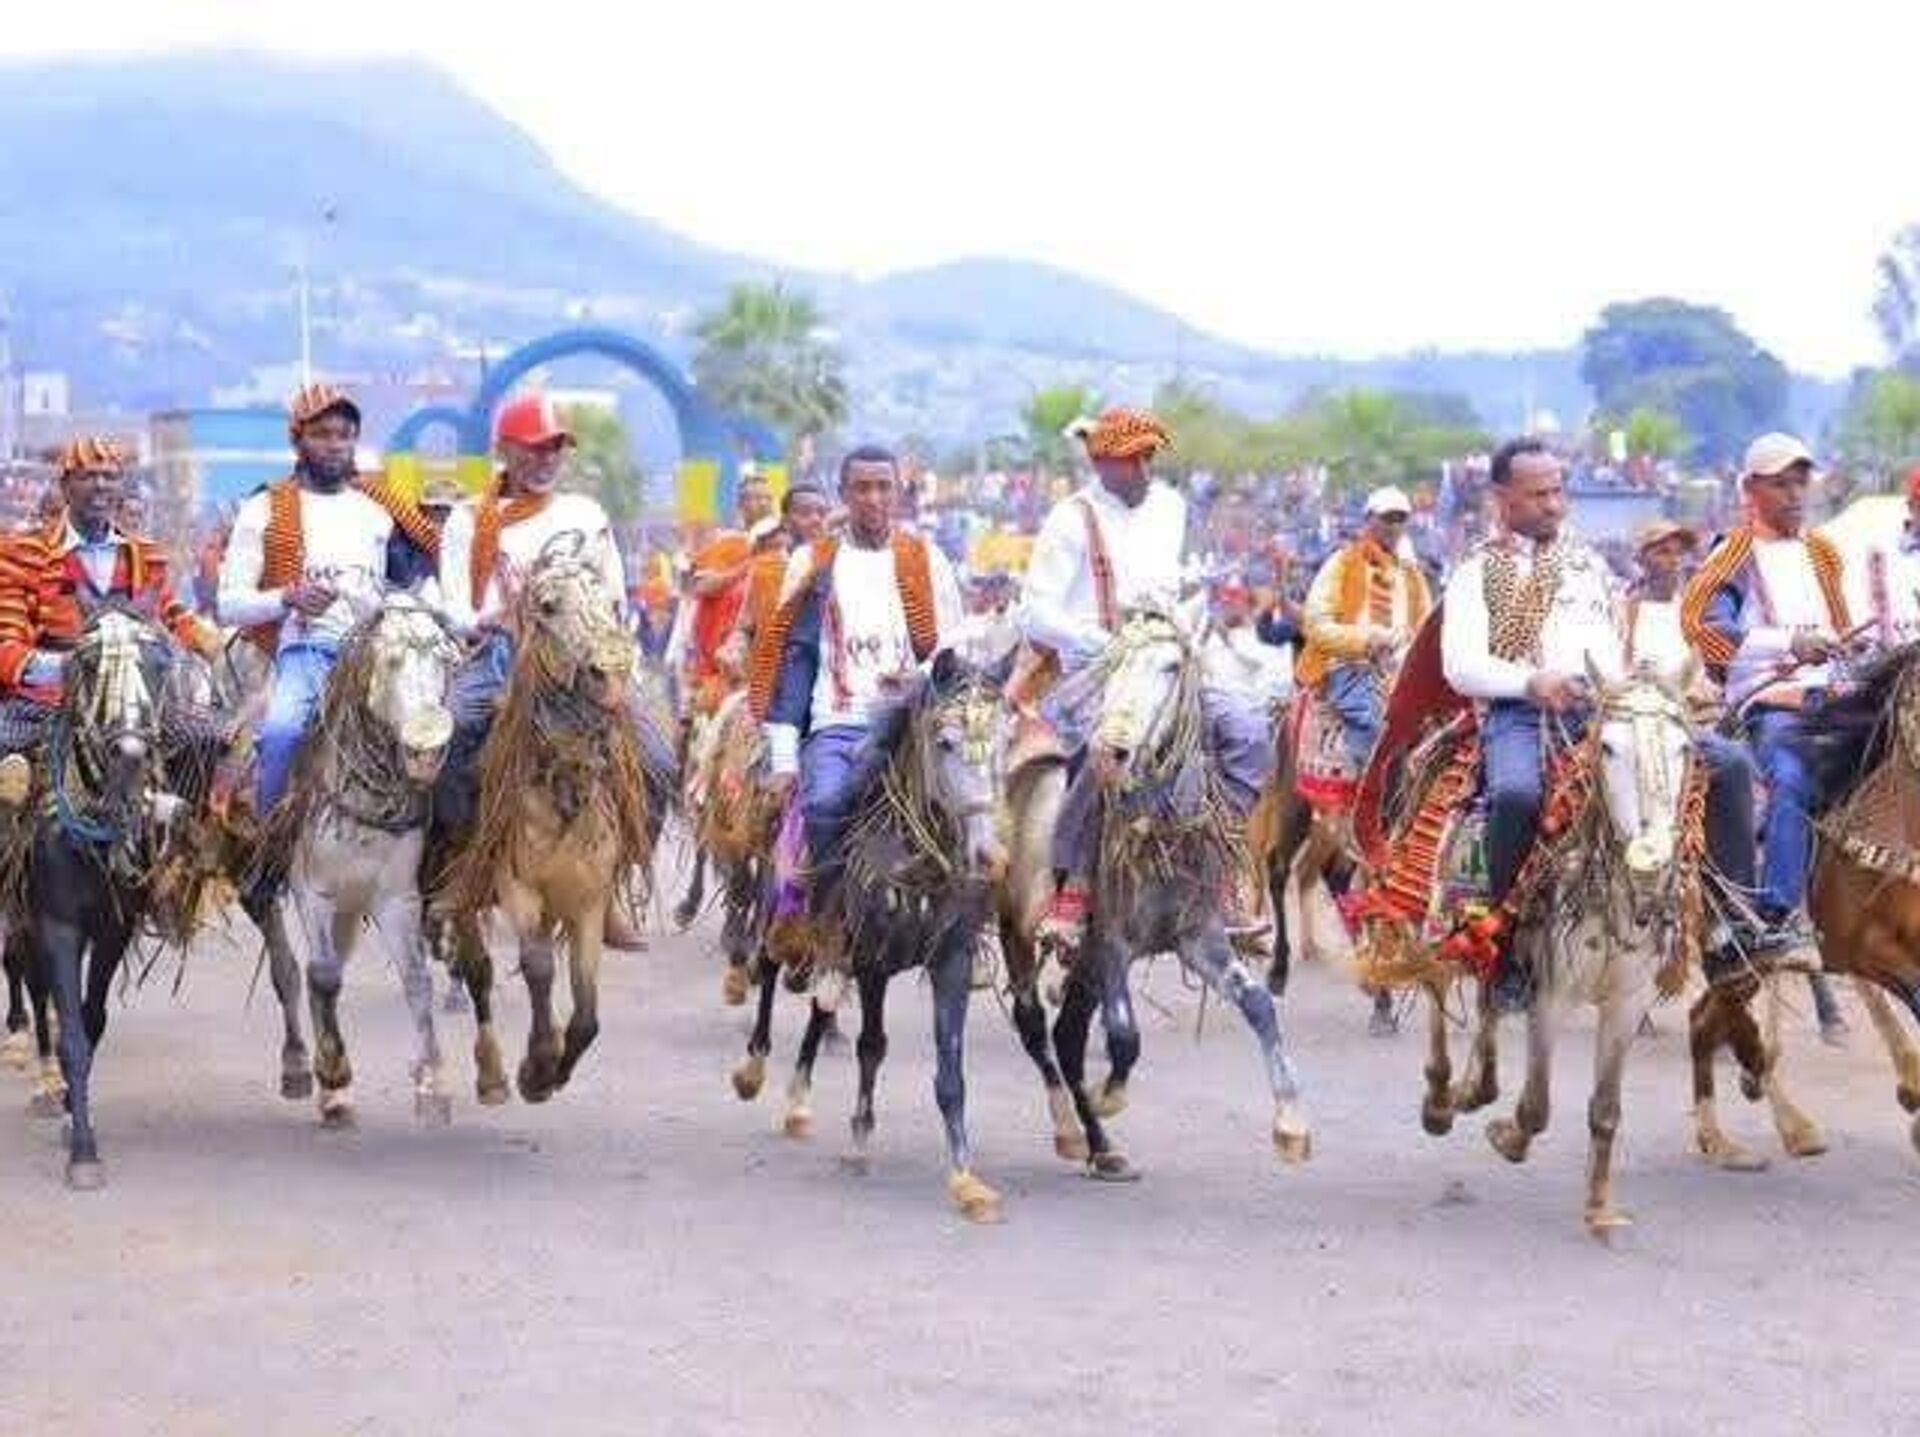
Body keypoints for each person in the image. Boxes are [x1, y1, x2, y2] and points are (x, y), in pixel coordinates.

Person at [1444, 437, 1762, 1003]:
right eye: (1538, 495)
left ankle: (1730, 924)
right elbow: (1460, 666)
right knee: (1516, 795)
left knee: (1730, 763)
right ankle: (1502, 950)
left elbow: (1614, 649)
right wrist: (1532, 682)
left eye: (1558, 491)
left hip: (1606, 706)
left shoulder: (1587, 563)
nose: (1553, 504)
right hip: (1522, 713)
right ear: (1502, 498)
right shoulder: (1476, 571)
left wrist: (1657, 690)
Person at [1019, 407, 1274, 950]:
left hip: (1167, 662)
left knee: (1248, 732)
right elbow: (1034, 612)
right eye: (1128, 460)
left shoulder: (1171, 507)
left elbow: (1175, 585)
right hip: (1096, 674)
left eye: (1147, 458)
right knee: (1104, 750)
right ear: (1101, 463)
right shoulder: (1071, 518)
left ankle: (1216, 862)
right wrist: (1092, 639)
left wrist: (1185, 616)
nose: (1141, 469)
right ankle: (1072, 889)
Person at [433, 392, 654, 950]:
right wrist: (490, 619)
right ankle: (465, 866)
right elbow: (454, 606)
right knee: (451, 737)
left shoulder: (585, 515)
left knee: (658, 759)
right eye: (532, 448)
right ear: (505, 451)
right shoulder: (469, 519)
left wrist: (612, 653)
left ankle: (612, 885)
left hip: (582, 660)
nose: (545, 459)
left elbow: (614, 596)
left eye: (554, 448)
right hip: (500, 654)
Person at [748, 446, 963, 949]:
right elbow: (794, 659)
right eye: (862, 488)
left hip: (916, 722)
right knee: (824, 805)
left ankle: (965, 936)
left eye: (884, 487)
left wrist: (920, 678)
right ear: (844, 495)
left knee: (976, 804)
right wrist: (784, 757)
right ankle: (829, 918)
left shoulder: (926, 557)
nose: (873, 498)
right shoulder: (812, 560)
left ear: (899, 494)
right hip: (838, 722)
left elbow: (951, 646)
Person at [216, 382, 439, 821]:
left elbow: (417, 583)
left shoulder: (381, 509)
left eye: (344, 434)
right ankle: (269, 839)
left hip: (381, 655)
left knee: (434, 734)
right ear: (297, 440)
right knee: (282, 734)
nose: (335, 444)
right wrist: (287, 597)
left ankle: (446, 849)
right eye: (321, 434)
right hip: (307, 651)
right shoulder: (263, 508)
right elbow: (229, 605)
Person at [1681, 432, 1847, 970]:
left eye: (1801, 482)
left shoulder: (1823, 552)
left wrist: (1855, 648)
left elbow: (1844, 626)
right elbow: (1703, 627)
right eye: (1781, 484)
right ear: (1750, 489)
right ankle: (1773, 914)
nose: (1795, 494)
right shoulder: (1733, 553)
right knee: (1791, 776)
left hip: (1838, 697)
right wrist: (1789, 643)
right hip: (1772, 704)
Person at [0, 437, 221, 805]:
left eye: (110, 476)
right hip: (50, 699)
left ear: (121, 486)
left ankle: (183, 833)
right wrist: (67, 667)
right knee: (5, 746)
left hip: (135, 701)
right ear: (65, 486)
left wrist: (204, 638)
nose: (100, 485)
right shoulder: (22, 553)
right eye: (88, 476)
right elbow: (6, 644)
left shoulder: (145, 555)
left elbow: (171, 610)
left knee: (204, 739)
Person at [1298, 486, 1432, 770]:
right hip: (1352, 669)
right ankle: (1362, 791)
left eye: (1400, 518)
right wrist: (1366, 640)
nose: (1394, 526)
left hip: (1403, 675)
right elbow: (1316, 625)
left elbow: (1425, 629)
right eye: (1387, 518)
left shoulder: (1412, 574)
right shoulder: (1342, 563)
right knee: (1373, 728)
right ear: (1369, 519)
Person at [1623, 518, 1699, 681]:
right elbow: (1623, 668)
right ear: (1641, 559)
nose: (1675, 560)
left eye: (1680, 552)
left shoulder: (1693, 605)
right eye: (1664, 552)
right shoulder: (1626, 610)